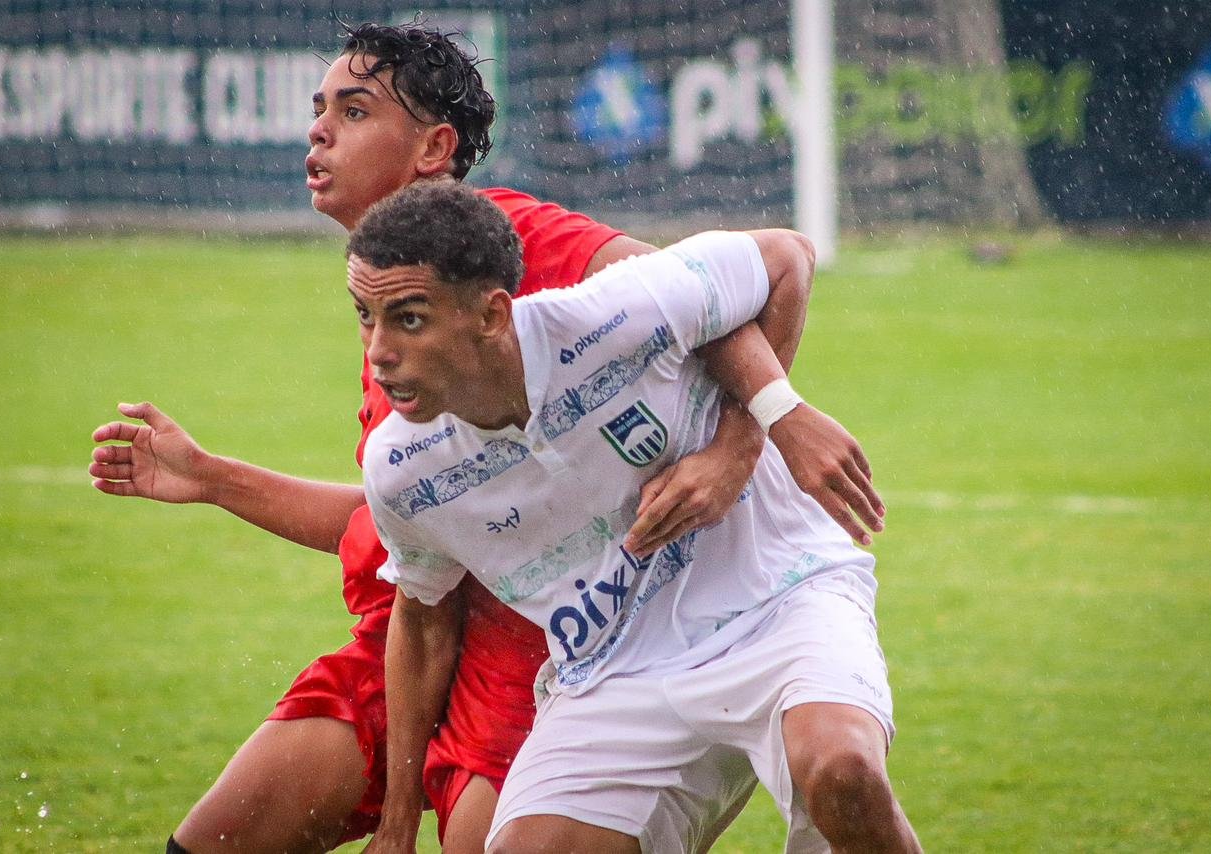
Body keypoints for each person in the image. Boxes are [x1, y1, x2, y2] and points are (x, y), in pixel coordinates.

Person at [88, 21, 882, 854]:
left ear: (435, 148)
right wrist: (211, 478)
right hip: (411, 633)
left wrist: (741, 444)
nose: (319, 130)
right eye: (319, 109)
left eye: (353, 111)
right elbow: (407, 519)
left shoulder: (506, 240)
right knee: (214, 841)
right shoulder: (391, 310)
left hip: (539, 646)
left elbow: (701, 298)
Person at [356, 182, 919, 853]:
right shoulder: (401, 468)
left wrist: (748, 438)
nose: (378, 351)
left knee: (844, 770)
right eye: (365, 316)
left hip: (778, 599)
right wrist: (397, 823)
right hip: (614, 668)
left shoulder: (611, 313)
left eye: (409, 319)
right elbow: (421, 620)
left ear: (491, 314)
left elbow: (786, 257)